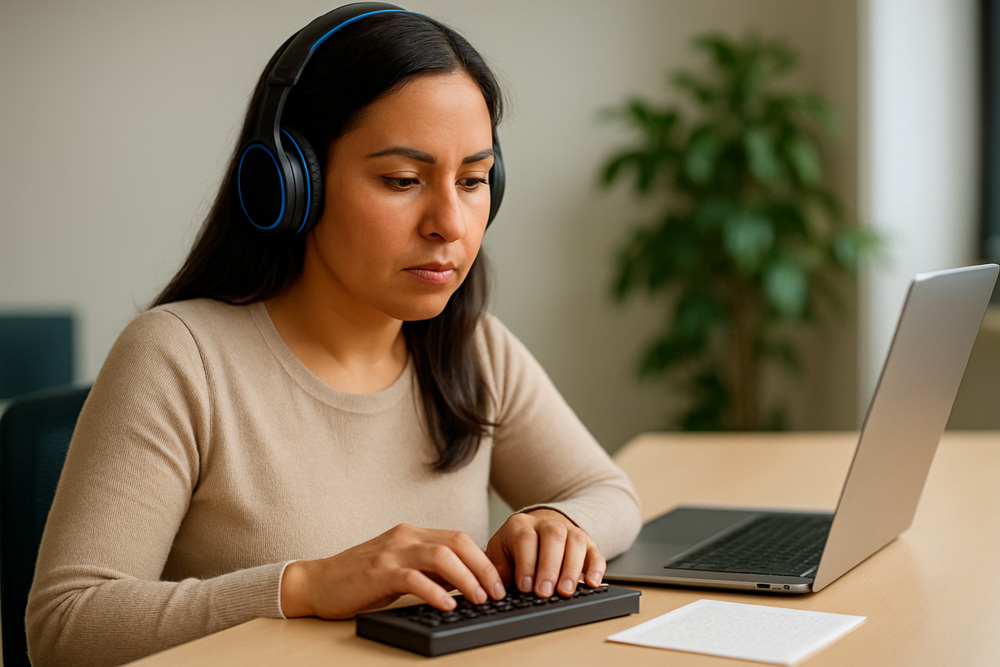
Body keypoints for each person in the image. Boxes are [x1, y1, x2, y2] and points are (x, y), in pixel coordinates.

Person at [25, 5, 641, 665]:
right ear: (293, 183)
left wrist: (562, 526)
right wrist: (305, 584)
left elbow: (610, 495)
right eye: (403, 180)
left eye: (472, 180)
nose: (450, 223)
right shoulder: (180, 356)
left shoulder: (470, 347)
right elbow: (65, 626)